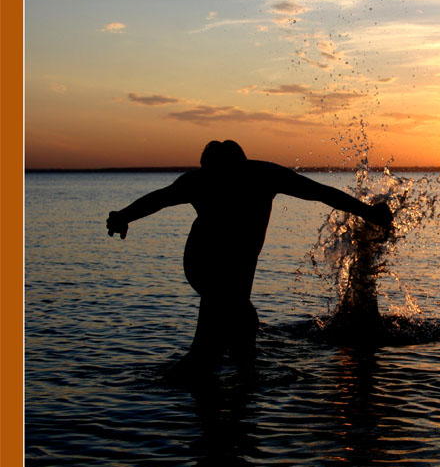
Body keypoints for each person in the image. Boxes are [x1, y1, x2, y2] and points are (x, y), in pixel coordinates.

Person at [106, 140, 392, 380]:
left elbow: (319, 192)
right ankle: (203, 398)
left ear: (240, 165)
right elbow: (158, 199)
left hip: (237, 266)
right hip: (204, 261)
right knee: (230, 328)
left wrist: (365, 211)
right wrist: (123, 216)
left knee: (239, 331)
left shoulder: (260, 175)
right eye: (216, 174)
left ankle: (232, 401)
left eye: (227, 173)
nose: (223, 182)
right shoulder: (201, 181)